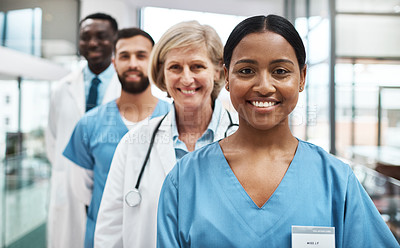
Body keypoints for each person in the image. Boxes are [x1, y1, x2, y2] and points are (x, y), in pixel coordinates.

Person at [156, 15, 400, 248]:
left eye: (280, 71)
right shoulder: (185, 180)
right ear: (226, 76)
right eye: (246, 71)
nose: (264, 86)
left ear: (302, 77)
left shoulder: (337, 181)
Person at [94, 20, 238, 248]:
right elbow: (109, 233)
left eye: (197, 66)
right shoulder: (133, 144)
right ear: (162, 72)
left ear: (219, 71)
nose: (186, 78)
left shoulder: (246, 139)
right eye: (175, 67)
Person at [63, 27, 170, 248]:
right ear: (114, 64)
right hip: (103, 238)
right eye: (124, 56)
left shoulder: (175, 120)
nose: (133, 63)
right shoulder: (89, 124)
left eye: (141, 55)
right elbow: (82, 191)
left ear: (154, 63)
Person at [45, 13, 120, 248]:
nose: (93, 43)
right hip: (68, 189)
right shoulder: (62, 88)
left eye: (101, 36)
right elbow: (52, 139)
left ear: (115, 41)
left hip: (111, 187)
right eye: (85, 37)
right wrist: (67, 171)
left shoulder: (127, 90)